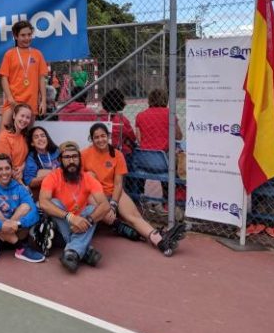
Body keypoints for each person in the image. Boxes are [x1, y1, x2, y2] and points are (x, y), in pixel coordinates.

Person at [81, 123, 185, 255]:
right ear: (91, 139)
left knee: (134, 217)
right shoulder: (84, 154)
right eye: (96, 137)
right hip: (95, 195)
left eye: (103, 136)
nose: (100, 140)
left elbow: (118, 184)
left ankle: (160, 240)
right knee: (89, 180)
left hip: (114, 192)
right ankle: (118, 225)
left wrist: (113, 204)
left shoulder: (117, 154)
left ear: (108, 136)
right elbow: (80, 182)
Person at [38, 141, 110, 273]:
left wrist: (88, 220)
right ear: (60, 160)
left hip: (80, 224)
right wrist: (70, 217)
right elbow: (43, 202)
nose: (71, 161)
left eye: (74, 156)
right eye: (67, 157)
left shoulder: (87, 178)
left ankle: (72, 252)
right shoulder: (52, 177)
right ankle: (85, 251)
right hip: (59, 227)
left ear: (79, 159)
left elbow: (105, 205)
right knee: (54, 202)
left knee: (92, 210)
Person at [0, 153, 45, 263]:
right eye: (0, 169)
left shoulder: (20, 188)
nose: (4, 172)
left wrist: (17, 224)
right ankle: (20, 248)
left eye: (7, 168)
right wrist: (1, 225)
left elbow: (34, 213)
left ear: (12, 170)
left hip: (17, 232)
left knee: (26, 207)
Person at [0, 20, 47, 128]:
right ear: (16, 36)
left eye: (29, 34)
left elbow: (41, 79)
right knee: (3, 134)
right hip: (13, 103)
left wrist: (43, 101)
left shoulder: (37, 54)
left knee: (26, 135)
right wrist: (10, 99)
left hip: (31, 104)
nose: (27, 38)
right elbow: (4, 78)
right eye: (23, 35)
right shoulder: (9, 54)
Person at [0, 102, 34, 184]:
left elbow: (28, 157)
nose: (24, 120)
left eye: (27, 117)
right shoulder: (4, 137)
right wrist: (21, 182)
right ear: (14, 116)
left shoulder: (25, 136)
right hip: (8, 175)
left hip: (23, 172)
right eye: (22, 116)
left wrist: (22, 168)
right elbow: (4, 164)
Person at [23, 126, 60, 194]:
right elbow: (29, 181)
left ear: (47, 138)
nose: (40, 139)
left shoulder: (56, 151)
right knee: (40, 173)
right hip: (43, 190)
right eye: (36, 137)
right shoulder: (31, 157)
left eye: (43, 136)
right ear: (32, 143)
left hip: (59, 186)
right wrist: (51, 175)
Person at [101, 88, 137, 158]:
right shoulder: (122, 119)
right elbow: (132, 137)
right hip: (121, 152)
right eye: (123, 100)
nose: (125, 103)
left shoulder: (99, 117)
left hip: (103, 150)